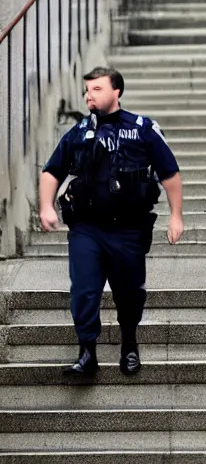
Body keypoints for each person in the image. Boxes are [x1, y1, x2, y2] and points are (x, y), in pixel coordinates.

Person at [39, 66, 184, 377]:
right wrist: (45, 207)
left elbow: (169, 173)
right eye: (87, 90)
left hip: (128, 229)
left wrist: (176, 216)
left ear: (116, 91)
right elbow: (52, 171)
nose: (89, 95)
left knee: (129, 292)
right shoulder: (79, 132)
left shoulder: (142, 128)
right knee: (84, 290)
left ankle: (129, 345)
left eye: (97, 89)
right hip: (87, 228)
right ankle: (87, 353)